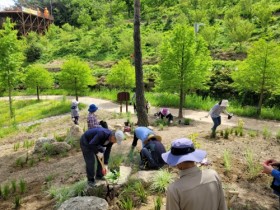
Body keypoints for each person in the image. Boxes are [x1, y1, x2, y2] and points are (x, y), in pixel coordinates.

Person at [162, 138, 228, 210]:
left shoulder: (174, 190)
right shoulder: (213, 175)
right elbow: (222, 206)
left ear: (179, 163)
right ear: (194, 156)